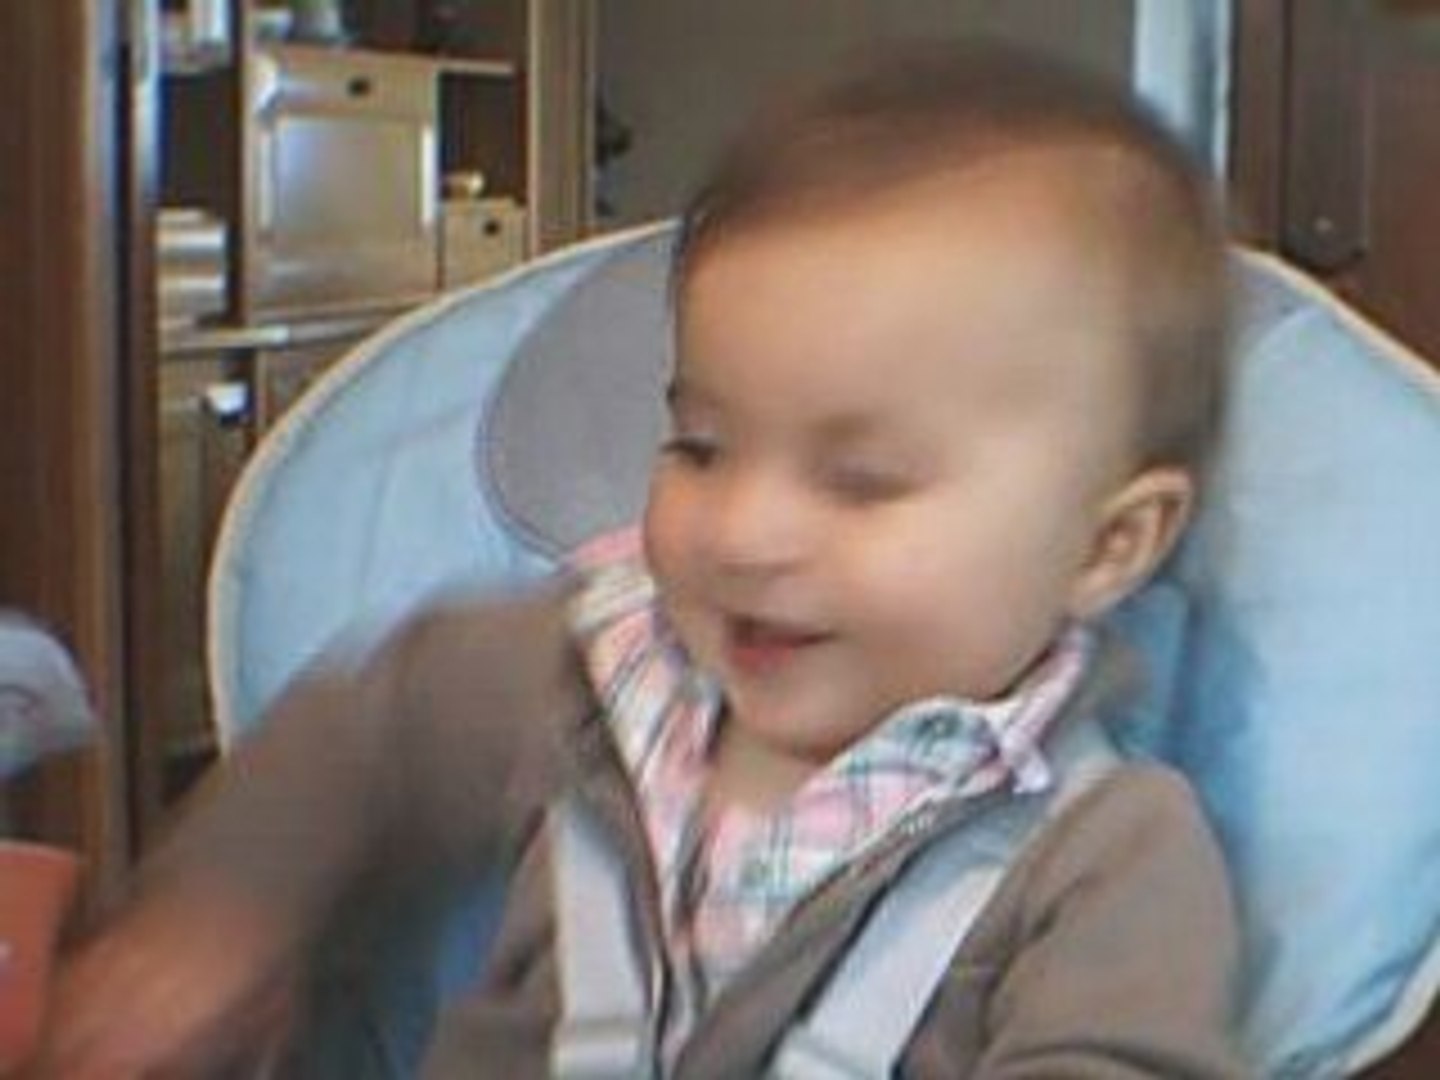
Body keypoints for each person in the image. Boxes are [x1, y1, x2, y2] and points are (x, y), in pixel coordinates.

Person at [37, 41, 1247, 1078]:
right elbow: (370, 731)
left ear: (1108, 545)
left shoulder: (1108, 857)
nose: (745, 533)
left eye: (862, 480)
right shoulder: (595, 667)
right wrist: (224, 908)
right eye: (701, 447)